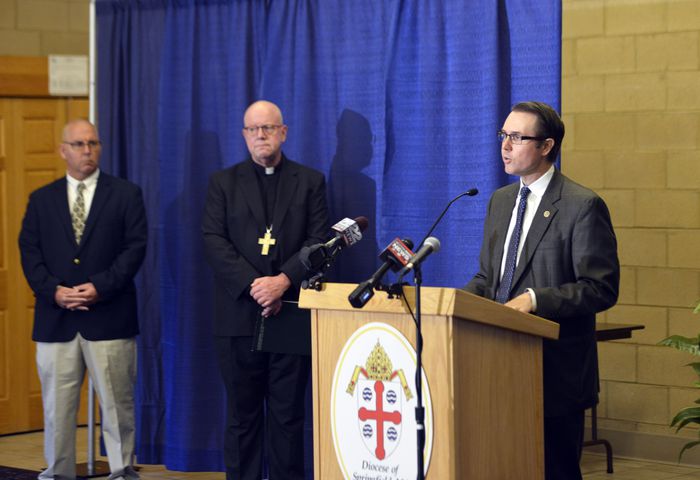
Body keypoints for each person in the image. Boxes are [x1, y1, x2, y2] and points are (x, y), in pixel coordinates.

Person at [464, 101, 620, 479]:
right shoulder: (501, 201)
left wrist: (536, 300)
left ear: (546, 146)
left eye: (517, 137)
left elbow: (600, 288)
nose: (505, 146)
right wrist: (454, 303)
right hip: (497, 362)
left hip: (554, 369)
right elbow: (489, 279)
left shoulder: (582, 205)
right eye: (503, 135)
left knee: (555, 469)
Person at [202, 100, 329, 480]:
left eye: (269, 128)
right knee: (243, 419)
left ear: (283, 132)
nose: (261, 135)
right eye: (254, 129)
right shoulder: (223, 183)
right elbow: (213, 240)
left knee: (289, 418)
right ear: (244, 135)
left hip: (289, 313)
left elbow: (319, 240)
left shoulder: (309, 182)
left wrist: (283, 280)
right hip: (239, 316)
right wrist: (255, 286)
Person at [18, 119, 147, 480]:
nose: (87, 150)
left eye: (92, 143)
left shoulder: (125, 194)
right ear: (63, 150)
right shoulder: (41, 199)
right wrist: (53, 290)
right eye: (78, 144)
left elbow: (134, 248)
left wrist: (99, 286)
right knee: (57, 409)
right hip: (55, 319)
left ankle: (122, 471)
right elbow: (29, 252)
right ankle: (58, 472)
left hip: (109, 316)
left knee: (117, 406)